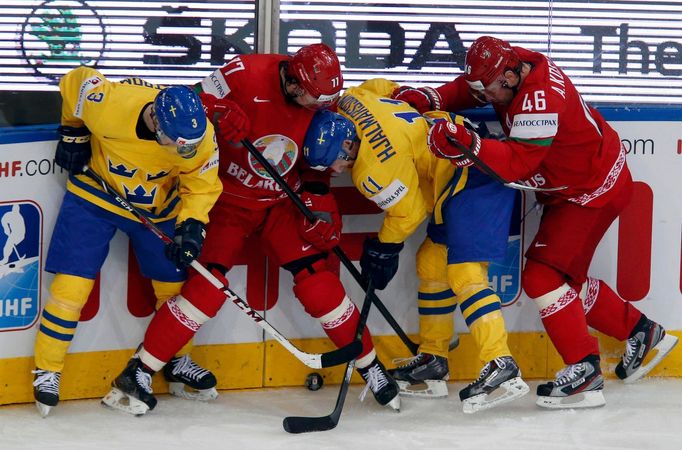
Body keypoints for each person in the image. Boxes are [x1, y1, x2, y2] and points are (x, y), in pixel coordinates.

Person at [104, 43, 400, 415]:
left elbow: (315, 157)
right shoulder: (244, 72)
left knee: (318, 284)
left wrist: (317, 197)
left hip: (279, 202)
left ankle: (371, 367)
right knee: (207, 288)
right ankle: (139, 372)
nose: (322, 105)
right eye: (315, 97)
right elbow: (187, 103)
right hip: (226, 202)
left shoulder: (320, 100)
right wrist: (216, 110)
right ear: (294, 82)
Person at [407, 35, 678, 408]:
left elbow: (519, 163)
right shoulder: (514, 65)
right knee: (565, 284)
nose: (482, 95)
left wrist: (468, 144)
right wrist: (435, 98)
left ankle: (584, 370)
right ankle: (641, 331)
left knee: (543, 277)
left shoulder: (538, 98)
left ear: (510, 77)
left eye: (488, 88)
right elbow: (475, 89)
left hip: (589, 193)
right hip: (580, 187)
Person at [301, 78, 530, 413]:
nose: (334, 171)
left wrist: (385, 247)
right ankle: (434, 359)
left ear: (349, 145)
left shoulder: (370, 169)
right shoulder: (350, 101)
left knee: (464, 273)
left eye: (334, 162)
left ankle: (501, 363)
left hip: (473, 172)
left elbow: (408, 213)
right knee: (431, 263)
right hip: (454, 167)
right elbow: (385, 86)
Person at [32, 66, 222, 417]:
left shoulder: (198, 133)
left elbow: (201, 181)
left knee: (174, 290)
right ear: (156, 122)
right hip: (95, 198)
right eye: (175, 144)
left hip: (157, 208)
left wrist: (193, 224)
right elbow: (75, 81)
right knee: (70, 289)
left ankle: (177, 360)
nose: (183, 151)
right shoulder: (111, 103)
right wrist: (73, 131)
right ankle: (47, 370)